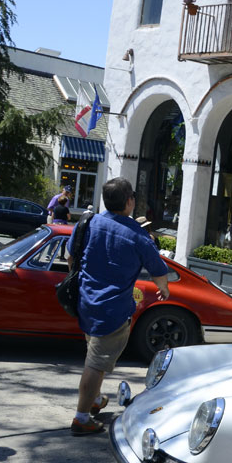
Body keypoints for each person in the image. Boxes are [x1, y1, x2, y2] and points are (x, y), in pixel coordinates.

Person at [68, 177, 170, 436]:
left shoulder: (89, 223)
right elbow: (158, 270)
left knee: (94, 354)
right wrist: (164, 289)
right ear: (129, 201)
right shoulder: (136, 234)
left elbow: (71, 256)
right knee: (96, 363)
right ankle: (81, 418)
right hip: (112, 309)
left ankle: (92, 401)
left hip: (86, 302)